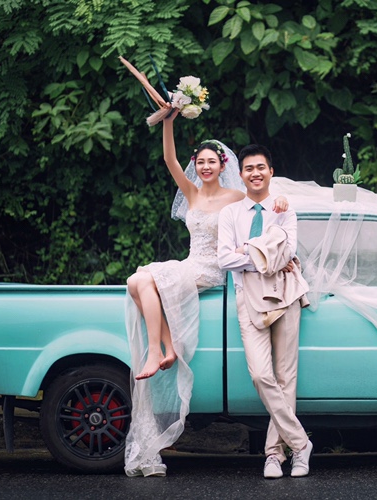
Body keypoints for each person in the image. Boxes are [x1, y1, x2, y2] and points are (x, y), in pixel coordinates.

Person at [124, 107, 287, 478]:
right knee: (136, 281)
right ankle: (164, 349)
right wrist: (168, 121)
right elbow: (169, 159)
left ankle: (160, 350)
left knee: (141, 280)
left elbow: (264, 198)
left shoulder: (235, 196)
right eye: (200, 162)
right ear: (195, 166)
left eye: (212, 161)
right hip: (190, 264)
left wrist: (281, 203)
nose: (205, 166)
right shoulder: (192, 193)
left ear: (223, 164)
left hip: (213, 270)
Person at [217, 144, 313, 479]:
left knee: (286, 377)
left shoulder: (284, 209)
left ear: (271, 172)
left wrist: (246, 251)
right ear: (241, 174)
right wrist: (264, 258)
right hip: (248, 297)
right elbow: (223, 258)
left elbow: (289, 251)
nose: (255, 173)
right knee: (260, 374)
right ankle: (301, 443)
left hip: (286, 296)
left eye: (261, 167)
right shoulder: (230, 214)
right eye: (249, 168)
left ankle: (275, 454)